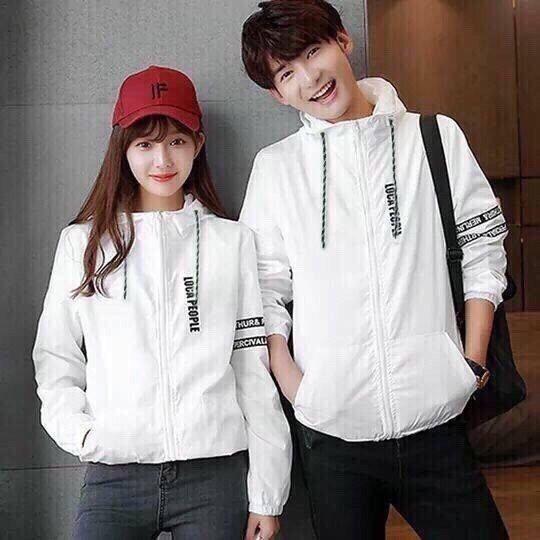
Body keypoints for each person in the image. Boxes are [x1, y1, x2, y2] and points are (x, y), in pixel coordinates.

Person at [239, 1, 509, 538]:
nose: (309, 78)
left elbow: (482, 249)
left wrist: (471, 362)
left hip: (436, 422)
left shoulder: (434, 137)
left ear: (343, 40)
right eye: (286, 73)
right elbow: (260, 291)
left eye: (313, 51)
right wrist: (299, 388)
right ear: (277, 94)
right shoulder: (276, 168)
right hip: (333, 437)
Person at [33, 65, 291, 540]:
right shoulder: (82, 244)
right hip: (115, 475)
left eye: (176, 141)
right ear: (123, 148)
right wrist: (84, 435)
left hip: (214, 476)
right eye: (145, 144)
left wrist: (267, 495)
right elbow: (56, 356)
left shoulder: (231, 242)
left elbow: (251, 369)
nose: (162, 160)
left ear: (198, 143)